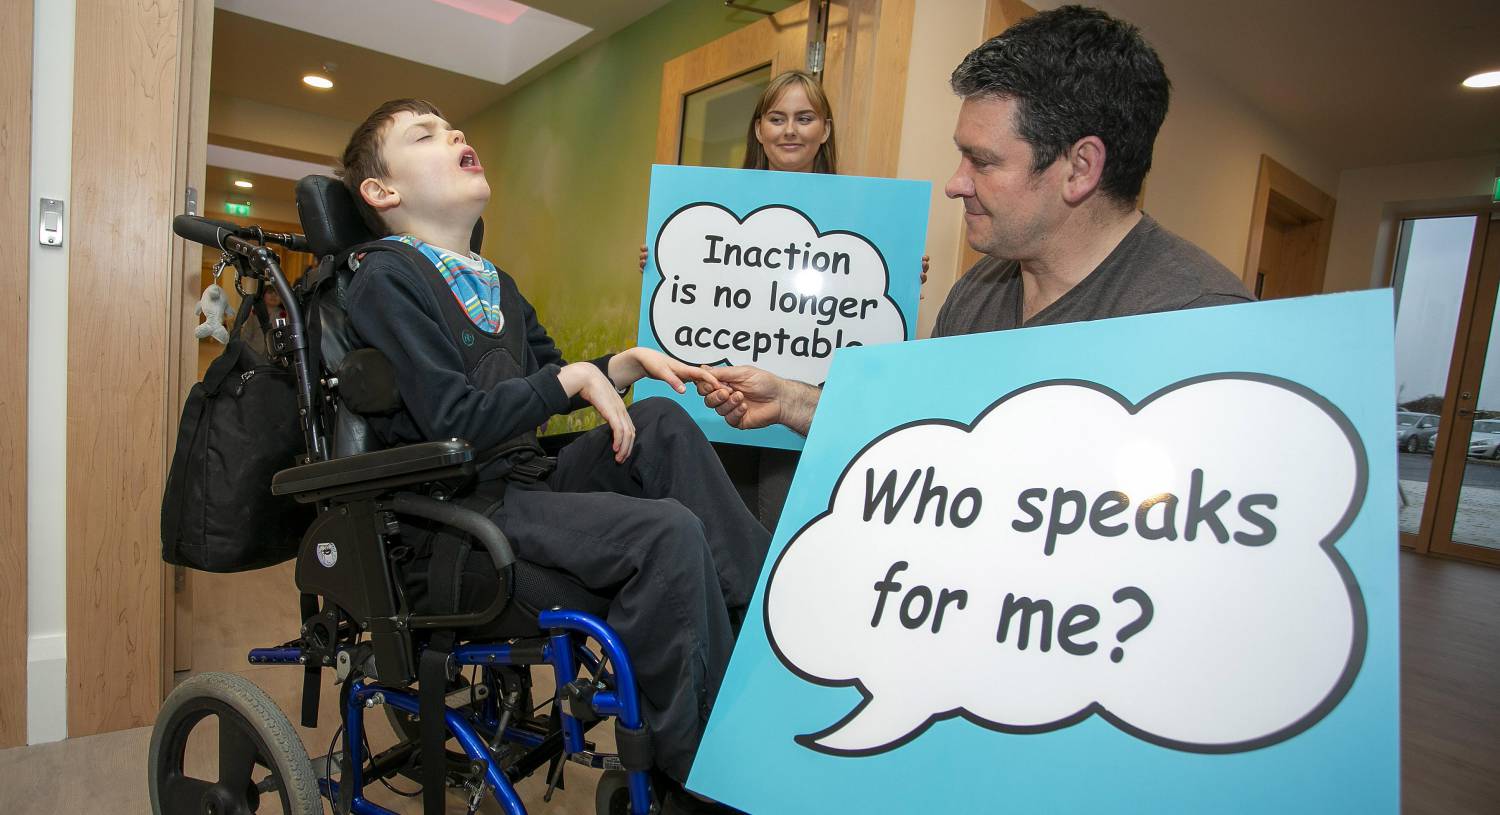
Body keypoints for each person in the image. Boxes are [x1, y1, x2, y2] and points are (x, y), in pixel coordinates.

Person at [338, 98, 770, 811]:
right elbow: (454, 419)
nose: (455, 134)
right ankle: (696, 777)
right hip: (464, 506)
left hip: (526, 478)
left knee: (658, 419)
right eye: (426, 135)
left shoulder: (489, 279)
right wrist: (569, 379)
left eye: (454, 128)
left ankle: (767, 626)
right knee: (666, 532)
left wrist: (619, 365)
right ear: (384, 193)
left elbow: (555, 378)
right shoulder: (386, 280)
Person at [697, 5, 1253, 435]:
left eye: (982, 161)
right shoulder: (978, 293)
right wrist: (792, 399)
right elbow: (918, 424)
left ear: (1080, 168)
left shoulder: (1201, 326)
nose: (955, 183)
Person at [640, 70, 925, 529]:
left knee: (779, 532)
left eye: (804, 117)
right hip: (721, 405)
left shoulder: (868, 215)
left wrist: (904, 274)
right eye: (777, 118)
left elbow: (871, 316)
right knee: (716, 531)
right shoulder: (709, 207)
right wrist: (663, 265)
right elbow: (689, 290)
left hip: (803, 418)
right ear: (758, 129)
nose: (790, 130)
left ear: (825, 130)